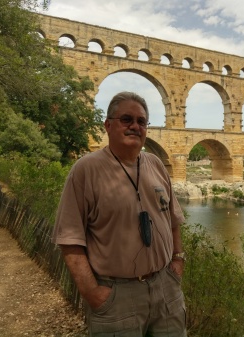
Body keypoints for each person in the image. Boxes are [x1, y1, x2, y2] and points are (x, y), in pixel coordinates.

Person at [52, 91, 187, 336]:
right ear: (108, 125)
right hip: (117, 295)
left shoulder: (156, 164)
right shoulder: (86, 170)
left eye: (141, 121)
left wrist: (178, 260)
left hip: (166, 287)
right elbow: (69, 239)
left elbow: (174, 219)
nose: (135, 126)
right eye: (126, 119)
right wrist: (92, 293)